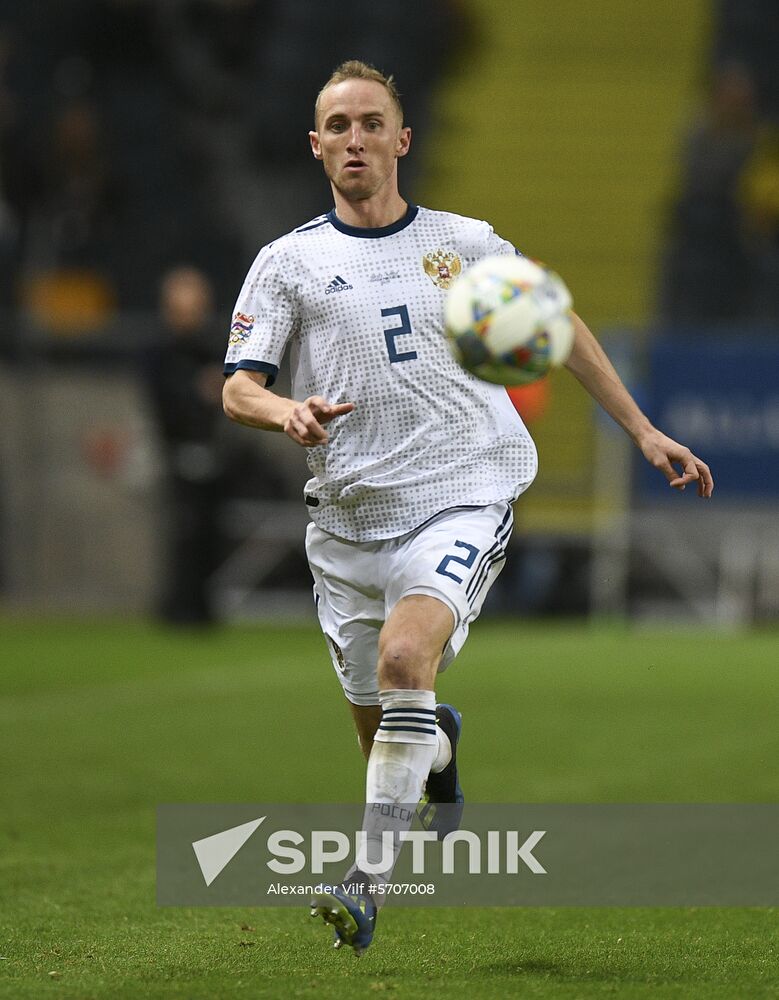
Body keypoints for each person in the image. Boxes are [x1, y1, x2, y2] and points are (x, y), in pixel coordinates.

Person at [222, 60, 714, 955]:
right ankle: (437, 748)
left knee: (408, 659)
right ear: (316, 146)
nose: (356, 139)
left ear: (402, 139)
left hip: (461, 492)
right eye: (338, 126)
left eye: (372, 123)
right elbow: (236, 388)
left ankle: (365, 885)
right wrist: (283, 409)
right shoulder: (287, 263)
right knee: (387, 727)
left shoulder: (465, 243)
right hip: (345, 521)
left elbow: (555, 329)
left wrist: (642, 431)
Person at [146, 266, 225, 625]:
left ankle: (202, 606)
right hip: (177, 451)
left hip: (209, 452)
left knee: (209, 532)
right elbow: (168, 401)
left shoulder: (209, 347)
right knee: (185, 532)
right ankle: (180, 606)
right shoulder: (162, 352)